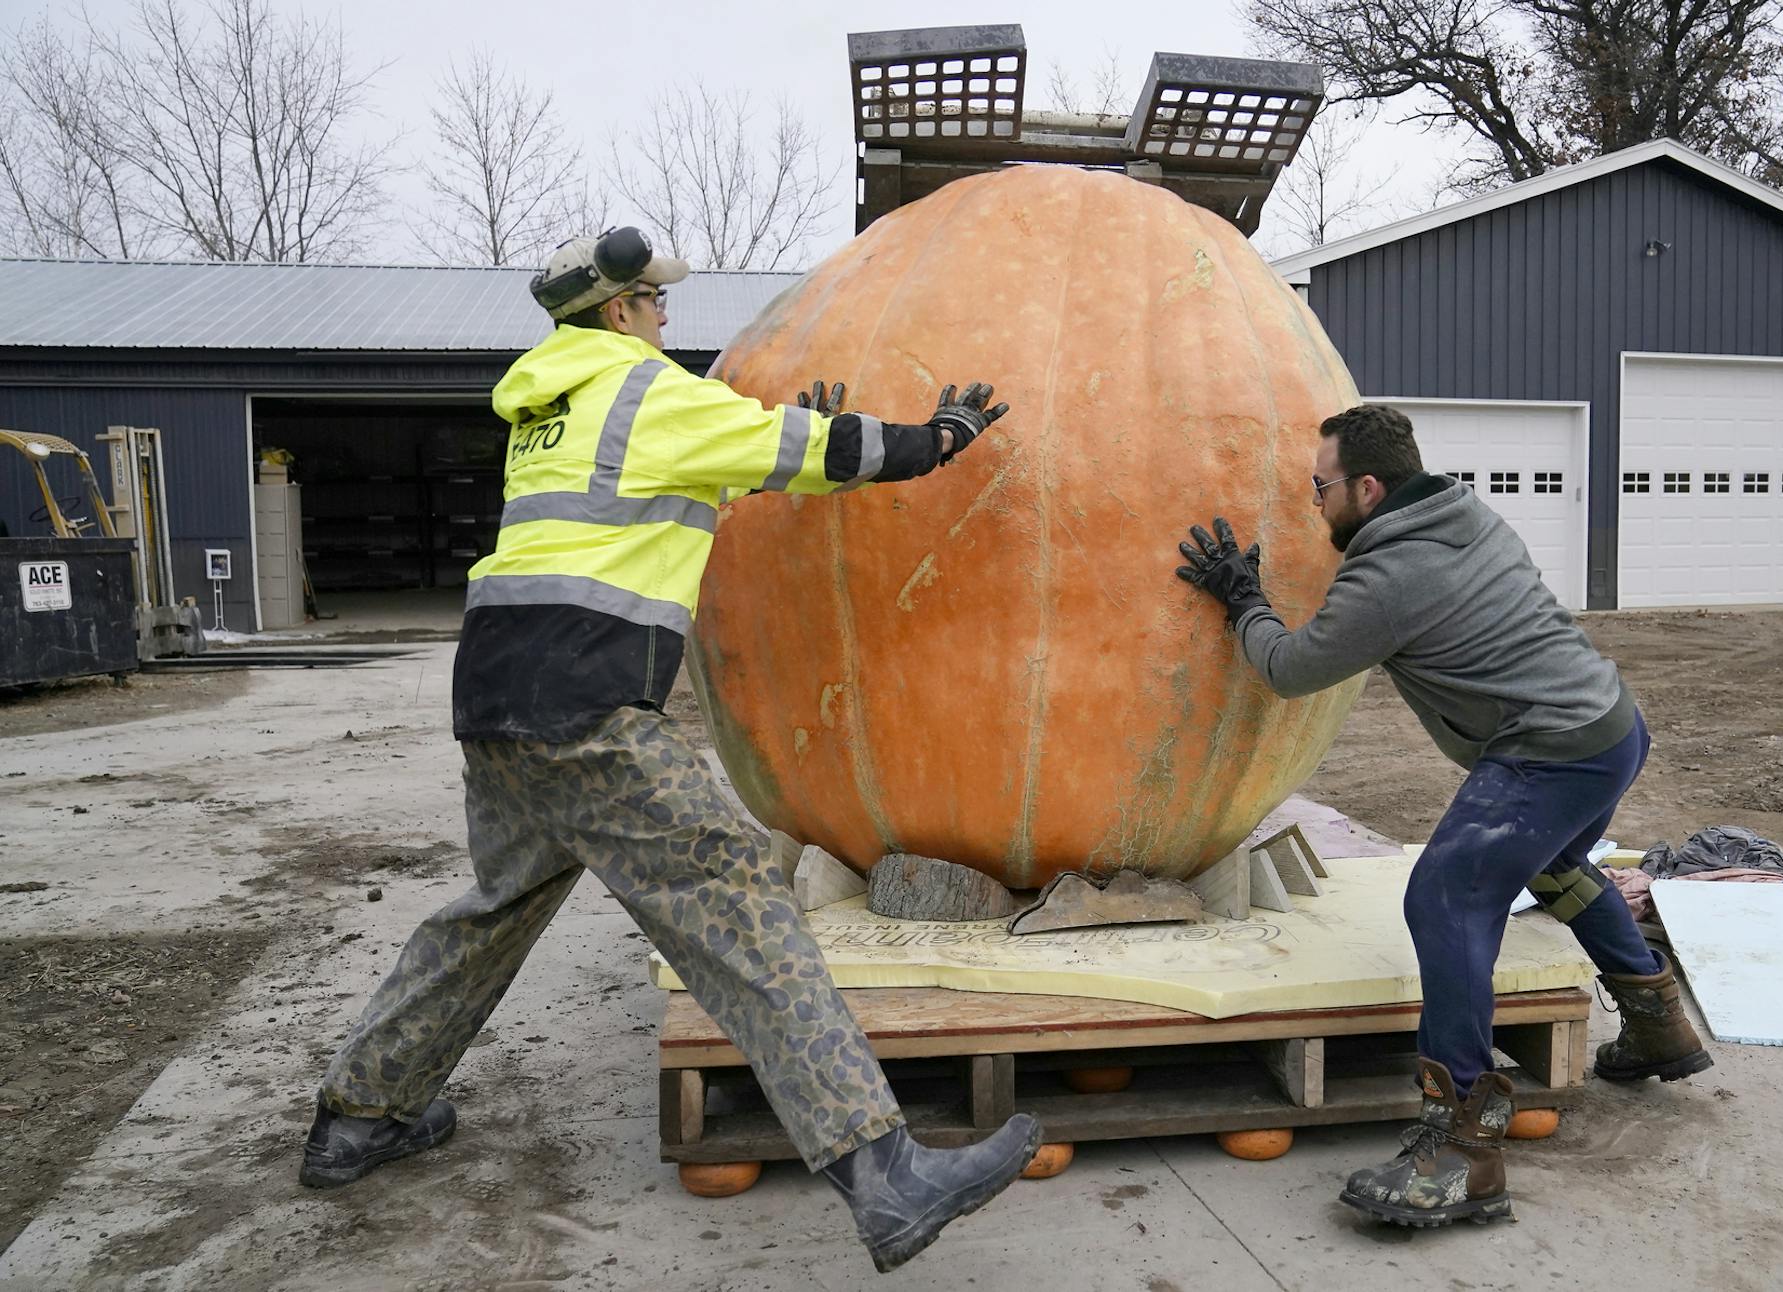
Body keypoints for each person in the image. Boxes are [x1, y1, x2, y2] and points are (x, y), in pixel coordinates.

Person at [302, 228, 1040, 1273]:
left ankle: (360, 1113)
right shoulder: (646, 389)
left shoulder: (549, 412)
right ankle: (883, 1171)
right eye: (653, 301)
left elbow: (682, 491)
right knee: (733, 890)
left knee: (496, 904)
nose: (664, 317)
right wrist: (938, 434)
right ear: (616, 312)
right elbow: (820, 453)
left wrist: (781, 441)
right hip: (588, 700)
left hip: (496, 694)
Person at [1172, 403, 1711, 1229]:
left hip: (1551, 747)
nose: (1313, 502)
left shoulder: (1390, 576)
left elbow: (1288, 667)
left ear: (1369, 486)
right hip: (1609, 724)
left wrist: (1242, 596)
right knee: (1556, 868)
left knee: (1448, 896)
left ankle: (1465, 1143)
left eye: (1321, 488)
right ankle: (1657, 1022)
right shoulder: (1460, 513)